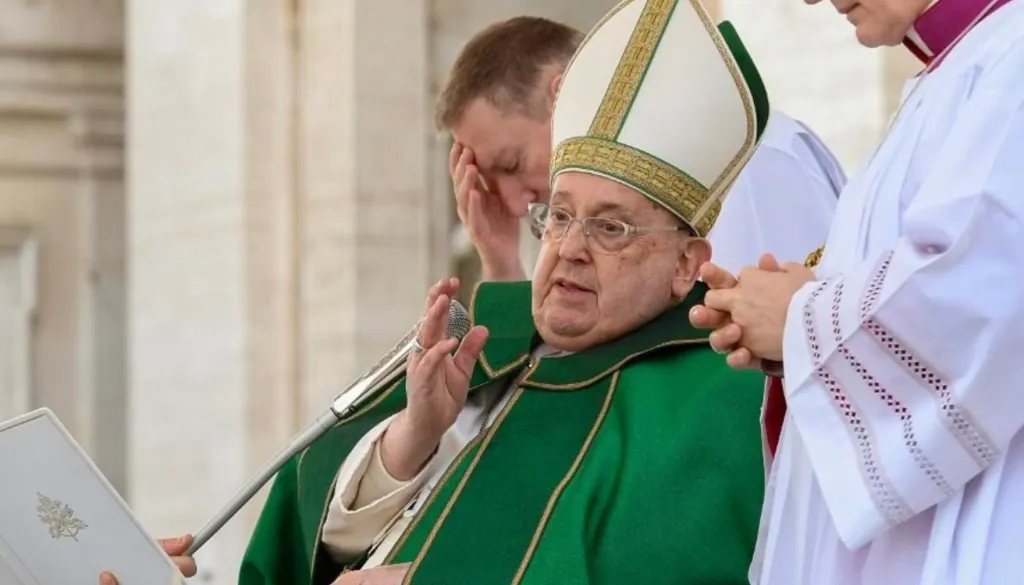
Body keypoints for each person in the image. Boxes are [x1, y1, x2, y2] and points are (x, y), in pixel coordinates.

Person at [238, 1, 775, 583]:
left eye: (610, 228)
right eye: (558, 216)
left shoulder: (717, 400)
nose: (570, 248)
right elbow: (327, 534)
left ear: (685, 264)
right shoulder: (484, 337)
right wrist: (416, 432)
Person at [689, 0, 1024, 583]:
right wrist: (797, 317)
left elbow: (987, 298)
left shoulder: (1012, 56)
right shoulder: (955, 68)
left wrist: (802, 320)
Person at [440, 16, 844, 283]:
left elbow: (797, 347)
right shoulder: (575, 223)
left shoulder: (752, 165)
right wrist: (501, 262)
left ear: (562, 95)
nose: (515, 205)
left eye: (511, 164)